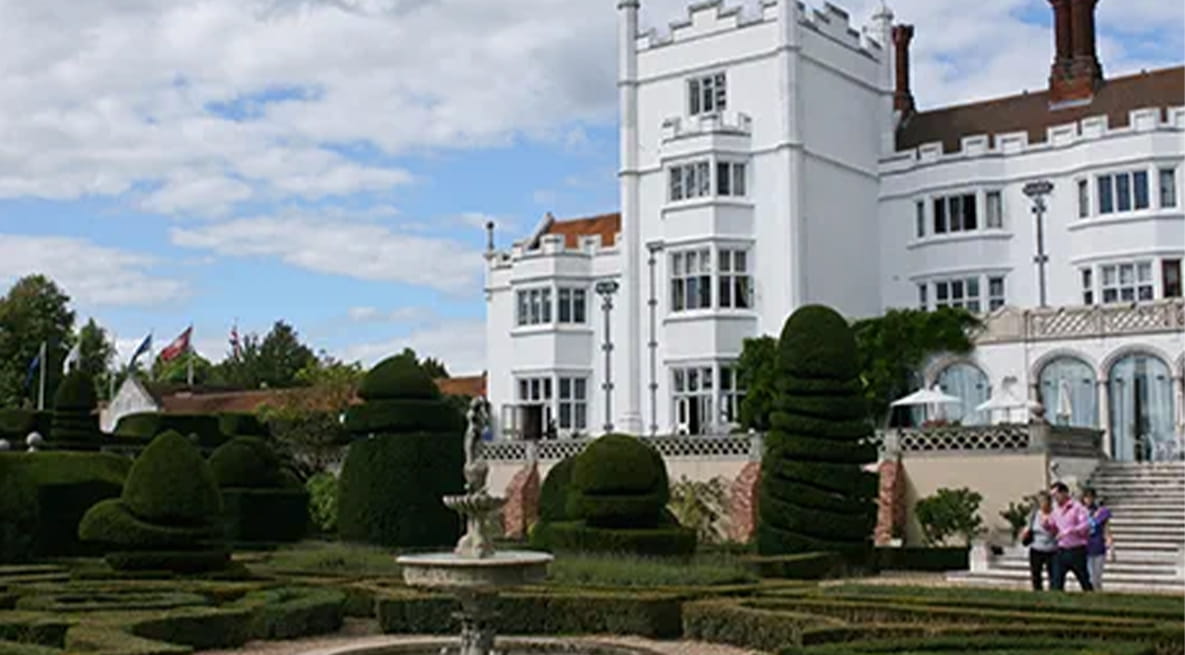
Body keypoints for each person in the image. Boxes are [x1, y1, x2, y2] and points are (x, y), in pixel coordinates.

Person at [1044, 481, 1094, 592]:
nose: (1055, 498)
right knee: (1056, 581)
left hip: (1077, 550)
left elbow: (1085, 525)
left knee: (1084, 580)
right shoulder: (1056, 511)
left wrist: (1070, 531)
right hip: (1061, 550)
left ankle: (1091, 599)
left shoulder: (1077, 508)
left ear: (1064, 493)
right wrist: (1047, 525)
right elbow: (1053, 528)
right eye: (1053, 496)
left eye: (1056, 495)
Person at [1020, 491, 1058, 590]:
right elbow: (1028, 527)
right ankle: (1037, 591)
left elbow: (1059, 530)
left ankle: (1053, 591)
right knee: (1036, 573)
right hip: (1036, 548)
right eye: (1041, 502)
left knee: (1053, 574)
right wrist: (1025, 534)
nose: (1043, 504)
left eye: (1045, 501)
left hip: (1051, 549)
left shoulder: (1055, 514)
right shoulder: (1035, 514)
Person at [1082, 487, 1114, 591]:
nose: (1088, 500)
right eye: (1086, 498)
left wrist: (1111, 547)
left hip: (1098, 546)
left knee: (1097, 577)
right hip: (1085, 548)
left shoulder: (1101, 512)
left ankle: (1098, 594)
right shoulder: (1080, 512)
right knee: (1090, 577)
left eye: (1091, 497)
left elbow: (1106, 530)